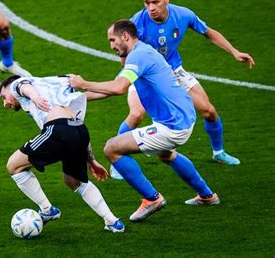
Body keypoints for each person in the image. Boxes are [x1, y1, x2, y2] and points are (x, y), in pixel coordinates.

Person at [70, 20, 220, 222]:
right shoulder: (141, 53)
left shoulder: (139, 56)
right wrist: (76, 97)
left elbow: (118, 88)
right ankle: (207, 196)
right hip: (181, 118)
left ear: (125, 36)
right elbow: (112, 88)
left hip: (172, 125)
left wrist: (83, 83)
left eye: (112, 40)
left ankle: (152, 199)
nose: (111, 46)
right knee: (166, 154)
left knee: (111, 149)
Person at [116, 0, 255, 167]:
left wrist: (234, 51)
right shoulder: (137, 23)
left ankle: (218, 152)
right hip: (144, 75)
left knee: (209, 110)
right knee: (136, 115)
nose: (151, 8)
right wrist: (128, 75)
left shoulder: (182, 15)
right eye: (147, 3)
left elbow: (208, 32)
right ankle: (116, 160)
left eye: (155, 2)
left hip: (173, 70)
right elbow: (123, 52)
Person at [0, 75, 125, 233]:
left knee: (14, 165)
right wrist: (91, 159)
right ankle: (113, 222)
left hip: (57, 130)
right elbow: (84, 104)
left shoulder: (17, 85)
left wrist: (35, 97)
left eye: (3, 97)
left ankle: (47, 210)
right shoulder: (54, 86)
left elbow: (23, 86)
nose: (5, 103)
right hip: (78, 130)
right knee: (73, 181)